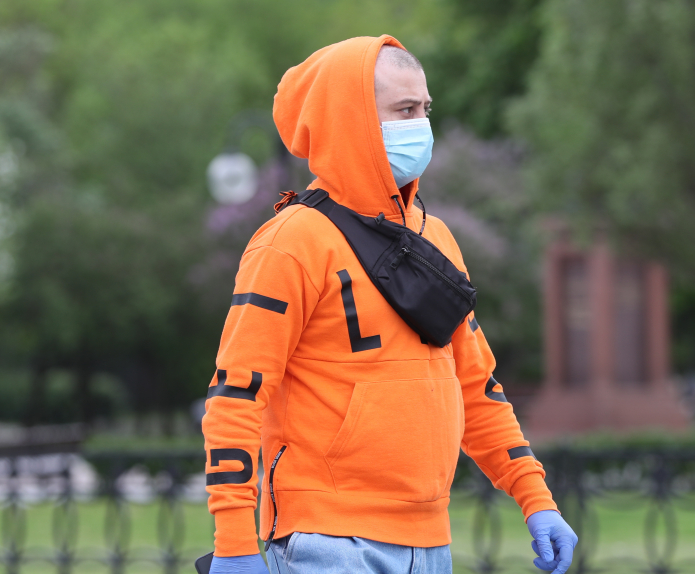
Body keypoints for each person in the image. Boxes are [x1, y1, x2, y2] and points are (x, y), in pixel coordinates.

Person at [202, 35, 578, 574]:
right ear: (351, 119)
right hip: (328, 542)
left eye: (425, 109)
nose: (421, 126)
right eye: (404, 110)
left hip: (432, 543)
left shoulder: (435, 237)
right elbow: (236, 396)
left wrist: (536, 498)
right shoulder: (291, 242)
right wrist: (235, 543)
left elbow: (476, 387)